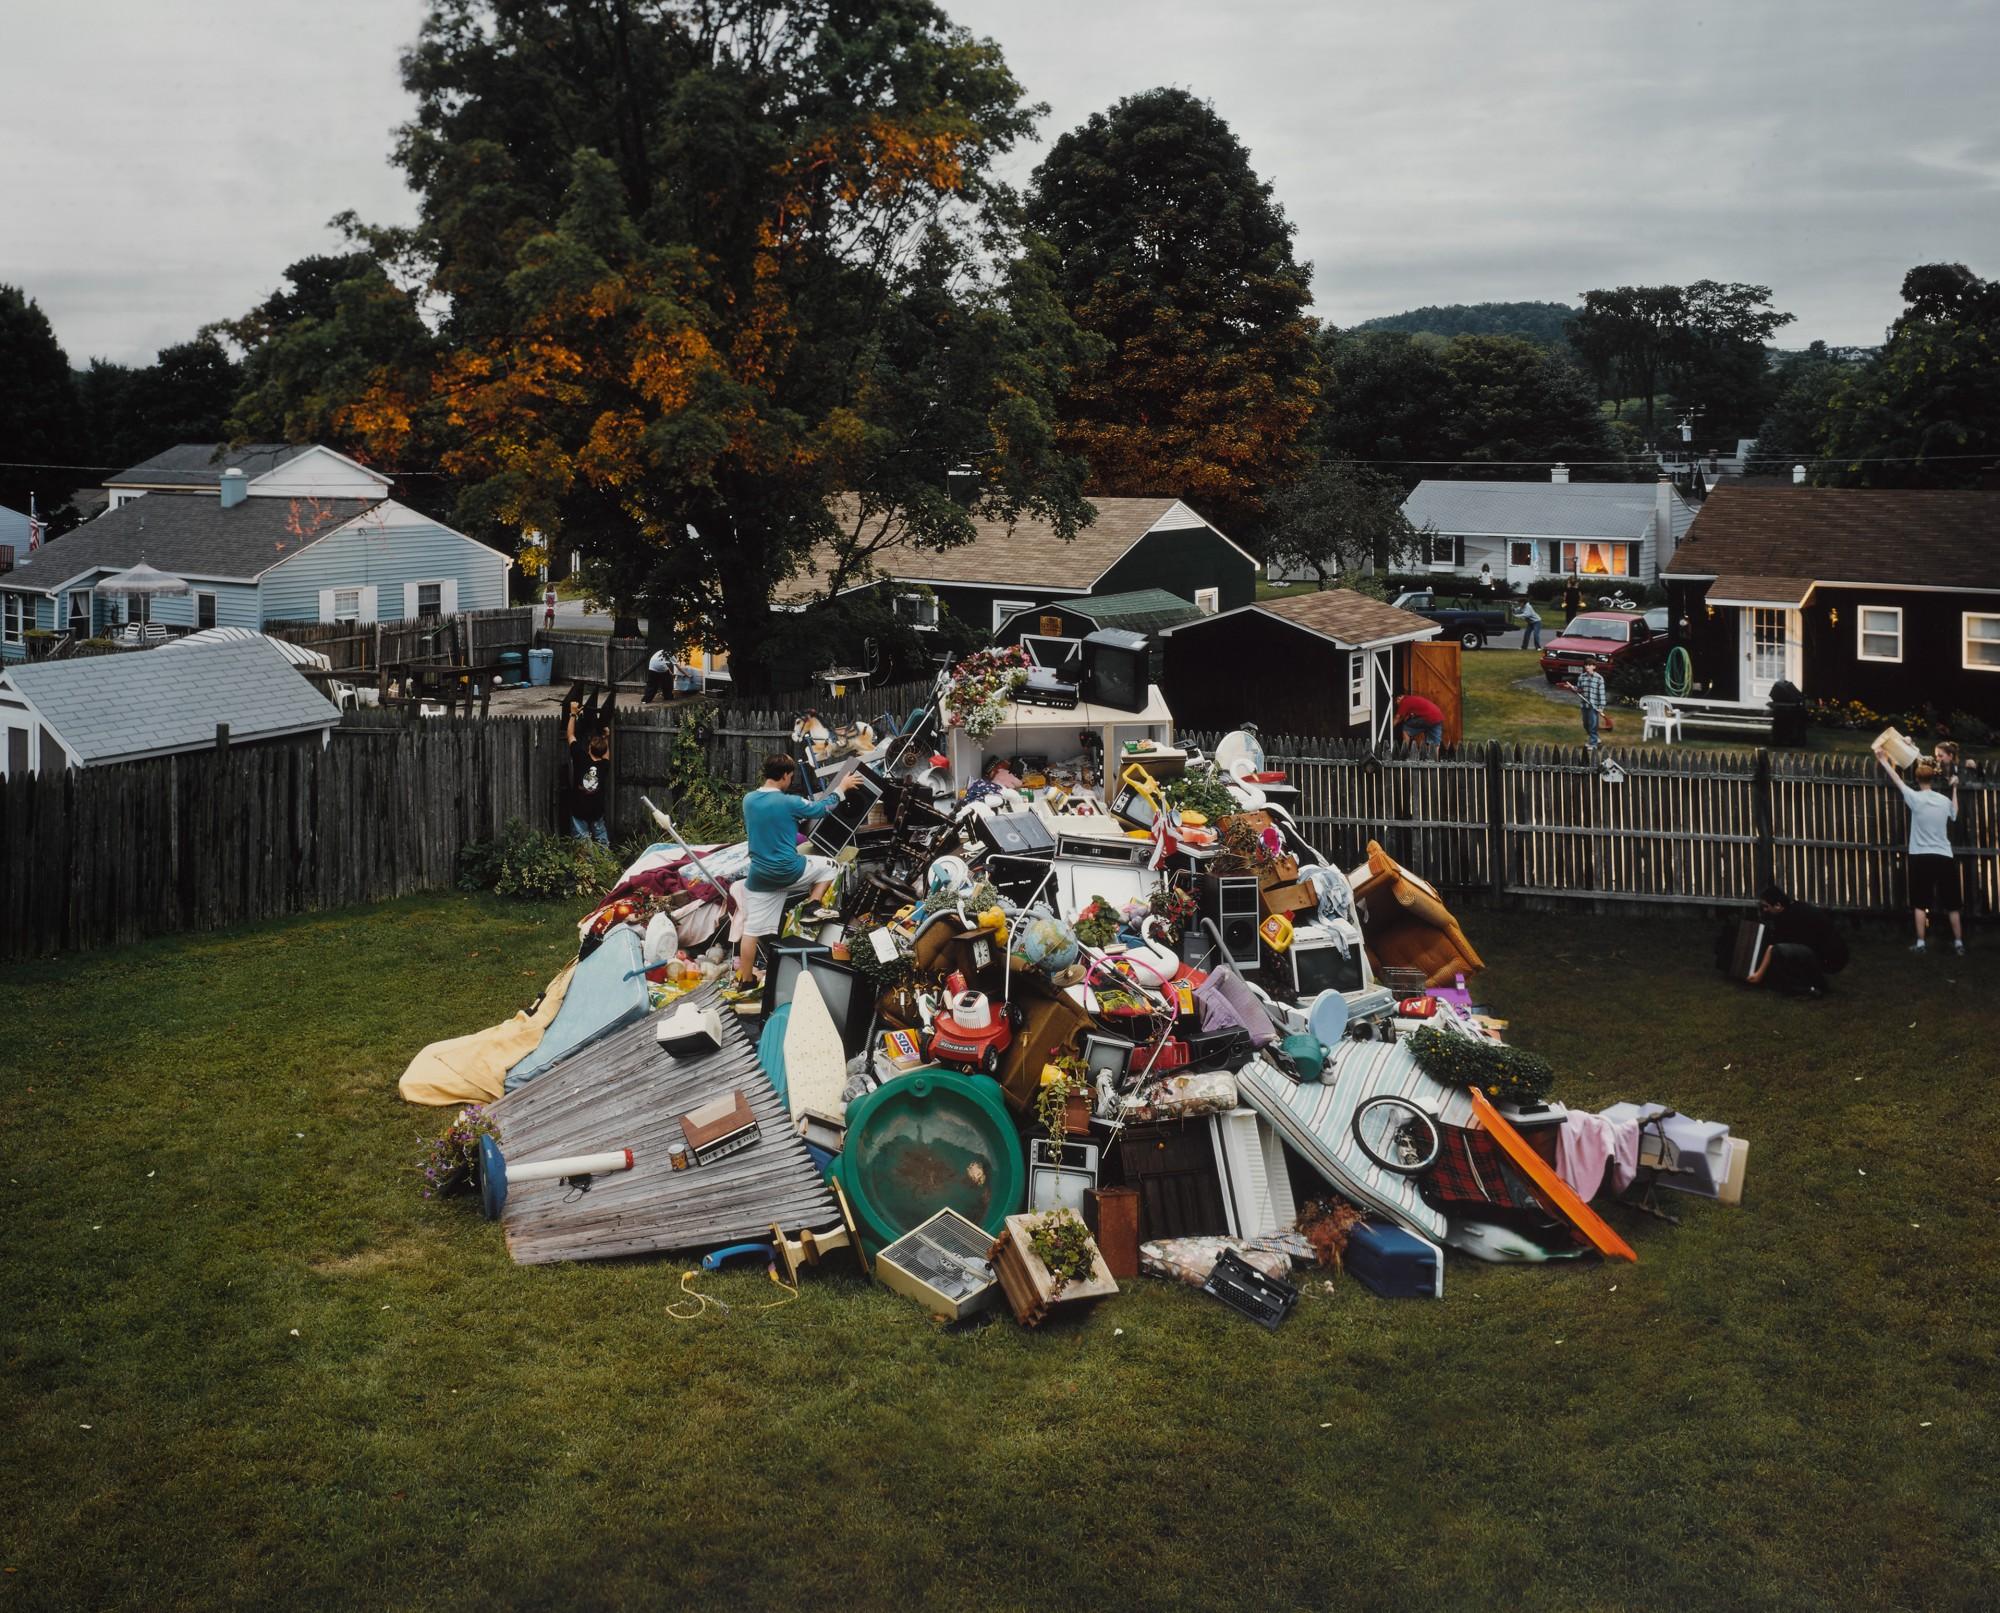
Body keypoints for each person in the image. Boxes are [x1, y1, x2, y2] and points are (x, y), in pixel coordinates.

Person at [725, 754, 858, 1002]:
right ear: (786, 776)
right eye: (790, 776)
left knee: (750, 930)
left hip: (759, 877)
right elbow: (822, 809)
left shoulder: (749, 800)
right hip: (788, 871)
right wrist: (841, 788)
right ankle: (812, 905)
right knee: (832, 866)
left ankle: (746, 981)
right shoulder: (790, 802)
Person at [1878, 753, 1962, 953]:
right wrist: (1955, 788)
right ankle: (1959, 943)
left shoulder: (1913, 797)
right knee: (1952, 903)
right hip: (1944, 856)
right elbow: (1955, 815)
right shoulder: (1943, 800)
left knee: (1919, 902)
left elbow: (1896, 778)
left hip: (1921, 856)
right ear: (1932, 778)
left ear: (1917, 779)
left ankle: (1921, 944)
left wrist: (1882, 759)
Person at [565, 707, 612, 846]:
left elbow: (570, 735)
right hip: (597, 811)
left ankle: (586, 866)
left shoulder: (581, 758)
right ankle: (607, 864)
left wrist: (573, 713)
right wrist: (606, 737)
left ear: (589, 747)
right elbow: (606, 753)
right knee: (602, 842)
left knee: (582, 845)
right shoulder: (604, 766)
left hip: (579, 810)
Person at [1564, 664, 1606, 754]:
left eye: (1590, 665)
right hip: (1584, 705)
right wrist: (1572, 687)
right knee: (1586, 724)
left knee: (1593, 725)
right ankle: (1595, 738)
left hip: (1594, 706)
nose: (1587, 667)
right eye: (1586, 665)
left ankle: (1593, 744)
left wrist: (1601, 707)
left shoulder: (1599, 678)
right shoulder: (1582, 677)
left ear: (1594, 667)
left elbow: (1602, 694)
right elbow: (1579, 690)